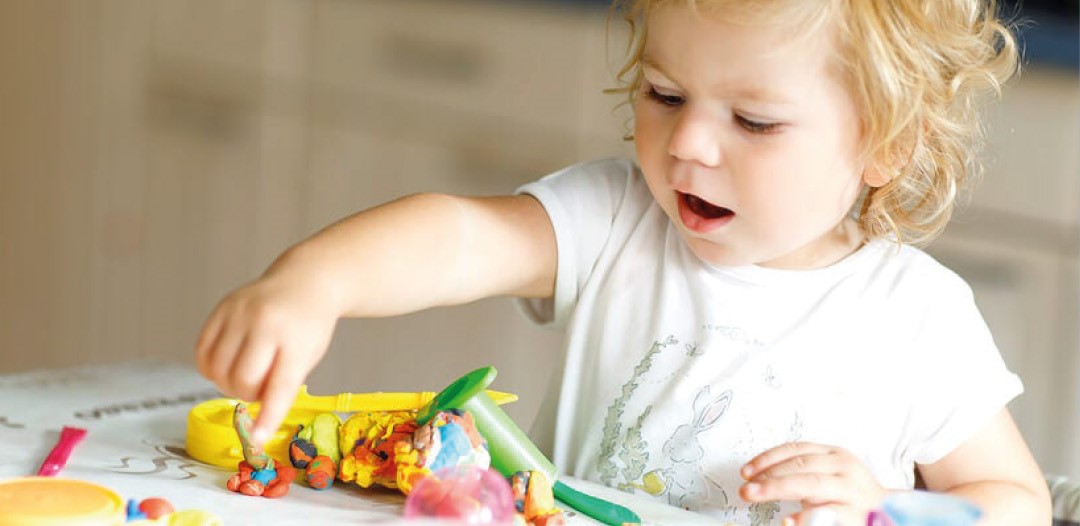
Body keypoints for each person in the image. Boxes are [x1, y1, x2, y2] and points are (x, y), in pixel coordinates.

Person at [194, 0, 1052, 524]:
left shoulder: (914, 315)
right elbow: (462, 236)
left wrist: (887, 507)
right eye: (664, 94)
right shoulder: (619, 218)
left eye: (753, 121)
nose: (688, 144)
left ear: (886, 145)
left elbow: (1017, 503)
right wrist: (318, 280)